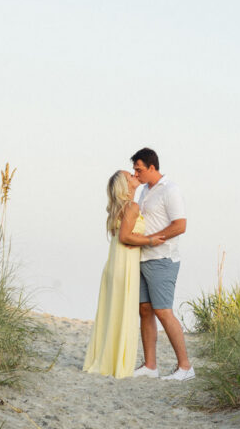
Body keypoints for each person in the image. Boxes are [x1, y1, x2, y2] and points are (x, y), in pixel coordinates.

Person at [83, 169, 166, 378]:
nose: (134, 175)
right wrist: (150, 241)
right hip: (124, 265)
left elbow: (123, 235)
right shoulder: (131, 206)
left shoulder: (118, 208)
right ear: (125, 184)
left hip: (116, 264)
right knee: (124, 313)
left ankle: (108, 360)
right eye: (130, 175)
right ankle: (117, 363)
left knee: (113, 313)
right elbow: (125, 237)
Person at [131, 147, 195, 381]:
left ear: (152, 167)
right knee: (145, 310)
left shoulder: (170, 190)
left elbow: (180, 225)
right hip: (143, 257)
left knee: (163, 311)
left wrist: (155, 238)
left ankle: (185, 367)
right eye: (134, 170)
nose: (135, 174)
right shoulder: (144, 191)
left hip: (163, 258)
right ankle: (150, 366)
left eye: (139, 169)